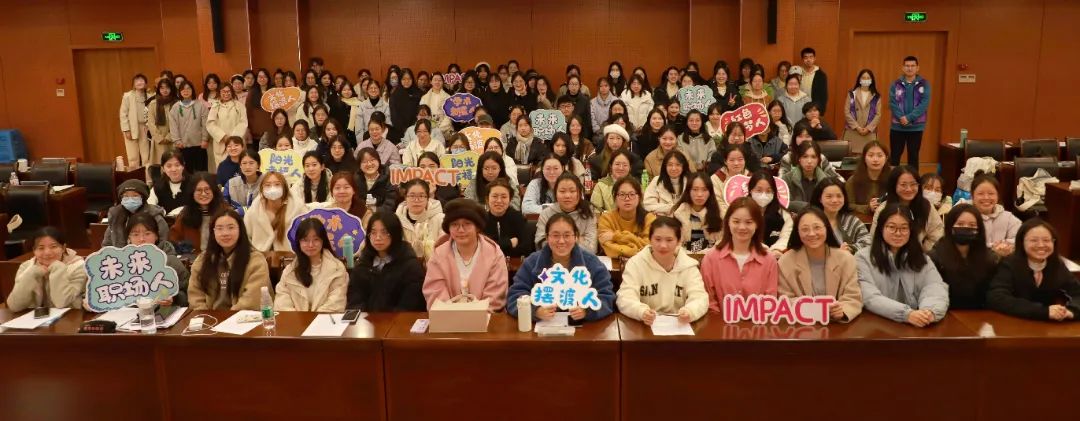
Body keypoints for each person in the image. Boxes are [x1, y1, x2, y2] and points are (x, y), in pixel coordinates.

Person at [507, 213, 615, 322]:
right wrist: (535, 311)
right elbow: (514, 297)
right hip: (542, 326)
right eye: (555, 235)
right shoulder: (532, 262)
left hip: (582, 327)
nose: (561, 241)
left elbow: (608, 297)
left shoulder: (591, 262)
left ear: (576, 237)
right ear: (547, 237)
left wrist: (587, 311)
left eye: (567, 235)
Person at [857, 202, 948, 326]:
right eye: (892, 227)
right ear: (881, 228)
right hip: (877, 325)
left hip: (916, 323)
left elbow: (934, 287)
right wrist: (906, 314)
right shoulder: (863, 258)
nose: (898, 233)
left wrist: (929, 311)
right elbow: (870, 297)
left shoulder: (922, 258)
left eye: (904, 228)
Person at [422, 199, 509, 312]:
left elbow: (495, 295)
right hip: (447, 318)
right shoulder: (439, 254)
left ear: (477, 227)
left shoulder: (494, 254)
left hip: (486, 318)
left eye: (467, 224)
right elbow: (435, 292)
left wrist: (474, 314)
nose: (461, 230)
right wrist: (453, 314)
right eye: (454, 224)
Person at [617, 216, 708, 324]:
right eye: (657, 239)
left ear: (678, 241)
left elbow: (700, 298)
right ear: (650, 240)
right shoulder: (636, 264)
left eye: (669, 240)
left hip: (679, 325)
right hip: (644, 325)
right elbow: (624, 298)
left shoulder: (689, 266)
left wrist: (690, 312)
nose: (663, 245)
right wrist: (641, 312)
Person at [778, 207, 862, 322]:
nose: (812, 234)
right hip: (801, 324)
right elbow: (784, 299)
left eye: (817, 227)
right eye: (805, 229)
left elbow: (853, 296)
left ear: (827, 228)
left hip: (836, 325)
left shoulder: (846, 259)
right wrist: (815, 309)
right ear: (797, 232)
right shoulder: (786, 261)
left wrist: (843, 310)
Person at [987, 219, 1080, 321]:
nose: (1041, 245)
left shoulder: (1057, 264)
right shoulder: (1009, 264)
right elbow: (996, 297)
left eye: (1046, 240)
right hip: (1013, 322)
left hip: (1046, 325)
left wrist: (1071, 311)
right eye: (1034, 240)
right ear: (1022, 242)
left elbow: (1077, 291)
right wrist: (1043, 311)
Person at [701, 197, 780, 312]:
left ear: (757, 224)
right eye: (736, 221)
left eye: (749, 222)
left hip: (758, 322)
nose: (742, 227)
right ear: (728, 222)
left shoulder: (769, 260)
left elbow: (770, 301)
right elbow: (709, 302)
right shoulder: (711, 258)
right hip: (719, 321)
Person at [188, 210, 270, 311]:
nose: (225, 233)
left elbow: (251, 300)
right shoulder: (202, 260)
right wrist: (205, 316)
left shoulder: (255, 260)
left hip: (243, 317)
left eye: (231, 227)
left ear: (240, 230)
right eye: (219, 228)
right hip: (209, 317)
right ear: (213, 232)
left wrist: (230, 318)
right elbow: (195, 296)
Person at [347, 211, 427, 311]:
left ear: (395, 234)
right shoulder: (363, 263)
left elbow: (410, 305)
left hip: (399, 319)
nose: (378, 238)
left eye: (384, 232)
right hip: (365, 319)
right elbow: (354, 300)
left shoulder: (410, 266)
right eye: (373, 232)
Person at [928, 204, 998, 309]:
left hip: (981, 313)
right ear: (950, 226)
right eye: (960, 224)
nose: (966, 228)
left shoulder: (989, 258)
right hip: (945, 311)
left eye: (972, 225)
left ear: (979, 229)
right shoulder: (934, 257)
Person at [274, 219, 347, 312]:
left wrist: (312, 319)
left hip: (326, 319)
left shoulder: (337, 268)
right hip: (296, 320)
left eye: (316, 239)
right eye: (305, 240)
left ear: (323, 241)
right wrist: (299, 319)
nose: (311, 245)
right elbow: (281, 304)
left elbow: (336, 304)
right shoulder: (290, 271)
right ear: (299, 242)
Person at [7, 228, 88, 312]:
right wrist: (31, 274)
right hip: (35, 318)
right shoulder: (26, 267)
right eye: (41, 248)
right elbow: (15, 306)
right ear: (34, 250)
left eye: (53, 247)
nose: (47, 252)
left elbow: (62, 302)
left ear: (63, 248)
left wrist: (58, 269)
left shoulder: (78, 266)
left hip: (70, 317)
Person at [869, 166, 944, 251]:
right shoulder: (883, 209)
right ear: (894, 186)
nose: (909, 189)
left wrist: (922, 251)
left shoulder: (926, 206)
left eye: (913, 184)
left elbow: (938, 235)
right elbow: (874, 240)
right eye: (903, 185)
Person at [126, 213, 189, 306]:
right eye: (135, 234)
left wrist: (174, 298)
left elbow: (188, 295)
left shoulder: (171, 262)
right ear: (129, 238)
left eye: (147, 234)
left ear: (156, 236)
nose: (141, 239)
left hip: (164, 311)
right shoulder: (121, 265)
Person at [535, 174, 598, 254]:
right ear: (555, 193)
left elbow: (592, 249)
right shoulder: (546, 213)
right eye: (562, 191)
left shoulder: (588, 213)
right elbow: (541, 245)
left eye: (572, 191)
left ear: (579, 193)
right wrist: (578, 239)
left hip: (581, 259)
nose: (567, 196)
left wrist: (555, 239)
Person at [245, 171, 306, 252]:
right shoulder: (254, 211)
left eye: (277, 184)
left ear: (284, 187)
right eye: (268, 185)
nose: (272, 188)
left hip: (291, 255)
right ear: (262, 188)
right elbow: (246, 236)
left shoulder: (297, 208)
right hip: (260, 256)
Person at [888, 56, 931, 167]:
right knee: (895, 156)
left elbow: (924, 104)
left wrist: (908, 118)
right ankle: (893, 177)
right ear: (903, 68)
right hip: (897, 127)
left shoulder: (924, 84)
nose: (910, 68)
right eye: (907, 66)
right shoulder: (895, 84)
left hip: (916, 127)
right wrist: (901, 117)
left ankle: (913, 178)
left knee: (913, 156)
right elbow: (892, 103)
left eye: (912, 66)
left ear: (917, 68)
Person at [599, 176, 656, 258]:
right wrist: (635, 248)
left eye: (632, 194)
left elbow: (650, 247)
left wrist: (615, 236)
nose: (627, 198)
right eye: (622, 194)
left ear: (639, 197)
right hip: (615, 263)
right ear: (615, 198)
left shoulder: (649, 219)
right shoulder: (606, 218)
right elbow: (610, 249)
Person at [811, 178, 871, 255]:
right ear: (820, 199)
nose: (835, 200)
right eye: (829, 196)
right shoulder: (810, 221)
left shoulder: (851, 221)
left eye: (839, 196)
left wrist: (851, 249)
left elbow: (868, 243)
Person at [103, 179, 170, 248]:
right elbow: (107, 244)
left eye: (135, 196)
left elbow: (164, 242)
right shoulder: (116, 216)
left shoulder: (155, 216)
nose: (130, 200)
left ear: (143, 198)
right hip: (121, 254)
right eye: (126, 196)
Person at [170, 172, 226, 253]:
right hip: (193, 258)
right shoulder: (185, 214)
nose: (203, 194)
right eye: (199, 190)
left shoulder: (225, 211)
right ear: (192, 193)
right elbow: (173, 240)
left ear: (214, 191)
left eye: (207, 189)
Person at [969, 174, 1021, 257]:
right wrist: (993, 248)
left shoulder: (1008, 217)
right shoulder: (966, 217)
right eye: (980, 194)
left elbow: (1020, 237)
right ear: (972, 196)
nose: (986, 197)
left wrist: (1005, 246)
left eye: (991, 193)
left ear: (998, 195)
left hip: (1003, 260)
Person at [396, 179, 445, 262]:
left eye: (421, 196)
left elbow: (445, 249)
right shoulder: (396, 219)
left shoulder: (440, 219)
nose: (416, 200)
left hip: (435, 265)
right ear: (405, 198)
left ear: (428, 198)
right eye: (412, 196)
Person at [673, 173, 724, 253]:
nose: (699, 194)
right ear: (688, 191)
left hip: (712, 257)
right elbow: (674, 244)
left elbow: (722, 242)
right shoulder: (679, 213)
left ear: (710, 192)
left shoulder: (719, 213)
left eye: (704, 190)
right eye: (695, 189)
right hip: (683, 258)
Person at [748, 171, 793, 257]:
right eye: (759, 190)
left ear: (774, 192)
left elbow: (786, 236)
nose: (763, 195)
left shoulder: (783, 214)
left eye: (768, 191)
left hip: (775, 256)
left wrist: (776, 249)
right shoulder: (742, 211)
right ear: (751, 190)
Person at [168, 80, 210, 172]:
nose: (186, 91)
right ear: (180, 91)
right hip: (183, 145)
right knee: (186, 171)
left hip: (199, 144)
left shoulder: (201, 105)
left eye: (188, 88)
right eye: (183, 89)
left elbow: (205, 124)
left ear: (192, 90)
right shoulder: (175, 107)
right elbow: (173, 126)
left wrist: (205, 139)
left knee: (201, 170)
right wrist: (177, 140)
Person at [482, 179, 529, 258]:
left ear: (510, 199)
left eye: (504, 197)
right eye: (495, 196)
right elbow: (482, 249)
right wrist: (509, 243)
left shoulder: (518, 218)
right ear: (487, 199)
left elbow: (525, 249)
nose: (499, 201)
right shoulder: (481, 219)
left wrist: (495, 246)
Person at [205, 84, 248, 171]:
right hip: (221, 144)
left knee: (239, 169)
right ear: (219, 92)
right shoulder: (215, 106)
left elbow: (243, 122)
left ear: (232, 92)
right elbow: (210, 124)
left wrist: (233, 139)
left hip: (237, 142)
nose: (226, 94)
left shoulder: (239, 105)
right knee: (223, 170)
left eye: (228, 91)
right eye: (223, 91)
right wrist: (223, 136)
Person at [846, 141, 892, 216]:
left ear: (886, 158)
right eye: (871, 155)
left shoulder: (893, 179)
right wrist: (868, 208)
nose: (875, 159)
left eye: (880, 156)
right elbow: (847, 205)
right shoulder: (853, 180)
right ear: (864, 158)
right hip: (860, 219)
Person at [843, 68, 882, 152]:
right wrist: (857, 127)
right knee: (850, 154)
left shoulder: (876, 96)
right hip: (853, 131)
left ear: (871, 80)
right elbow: (847, 112)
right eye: (863, 78)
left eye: (868, 78)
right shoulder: (851, 94)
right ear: (859, 79)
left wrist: (868, 128)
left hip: (869, 133)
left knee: (869, 153)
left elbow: (878, 115)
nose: (865, 80)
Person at [643, 150, 691, 216]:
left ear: (683, 166)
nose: (674, 168)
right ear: (665, 166)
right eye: (670, 165)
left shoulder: (690, 181)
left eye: (678, 165)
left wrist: (661, 209)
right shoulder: (656, 181)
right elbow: (648, 205)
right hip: (662, 220)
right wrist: (672, 207)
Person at [782, 141, 828, 206]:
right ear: (799, 158)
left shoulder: (827, 180)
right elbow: (786, 204)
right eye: (805, 156)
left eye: (813, 157)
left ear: (818, 160)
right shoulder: (786, 179)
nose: (809, 161)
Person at [119, 74, 151, 168]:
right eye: (137, 81)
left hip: (145, 128)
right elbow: (123, 114)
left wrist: (149, 127)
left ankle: (147, 176)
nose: (139, 82)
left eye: (142, 80)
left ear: (145, 83)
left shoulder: (150, 96)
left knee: (146, 156)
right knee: (133, 157)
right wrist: (126, 130)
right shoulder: (128, 96)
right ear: (133, 84)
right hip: (131, 128)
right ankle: (134, 176)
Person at [711, 144, 752, 215]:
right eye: (732, 160)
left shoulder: (751, 178)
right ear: (725, 161)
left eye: (740, 159)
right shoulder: (716, 178)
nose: (736, 163)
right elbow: (718, 203)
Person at [355, 147, 399, 213]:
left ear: (379, 161)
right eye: (364, 161)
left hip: (383, 215)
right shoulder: (355, 179)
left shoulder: (390, 177)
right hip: (362, 215)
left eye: (372, 160)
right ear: (359, 166)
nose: (369, 164)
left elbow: (390, 204)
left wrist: (375, 210)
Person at [148, 150, 190, 215]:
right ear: (163, 169)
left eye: (177, 165)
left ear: (183, 166)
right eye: (169, 166)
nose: (174, 169)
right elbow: (150, 207)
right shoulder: (157, 187)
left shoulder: (193, 183)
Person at [147, 78, 177, 166]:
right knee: (161, 165)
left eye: (167, 87)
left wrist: (169, 137)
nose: (165, 90)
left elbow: (178, 123)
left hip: (173, 139)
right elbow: (151, 123)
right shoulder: (153, 103)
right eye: (162, 88)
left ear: (171, 88)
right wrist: (159, 138)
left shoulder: (177, 103)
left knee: (174, 162)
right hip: (159, 141)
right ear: (158, 89)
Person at [389, 69, 422, 141]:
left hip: (417, 130)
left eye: (409, 79)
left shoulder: (419, 93)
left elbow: (420, 112)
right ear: (400, 80)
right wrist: (404, 129)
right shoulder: (395, 95)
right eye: (404, 79)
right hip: (400, 131)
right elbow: (394, 116)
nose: (406, 81)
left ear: (412, 79)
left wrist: (414, 128)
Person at [798, 47, 829, 114]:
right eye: (806, 57)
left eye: (811, 57)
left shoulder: (821, 75)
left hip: (813, 109)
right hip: (798, 106)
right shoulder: (798, 73)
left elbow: (823, 95)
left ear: (814, 58)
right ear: (802, 59)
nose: (808, 60)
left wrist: (820, 111)